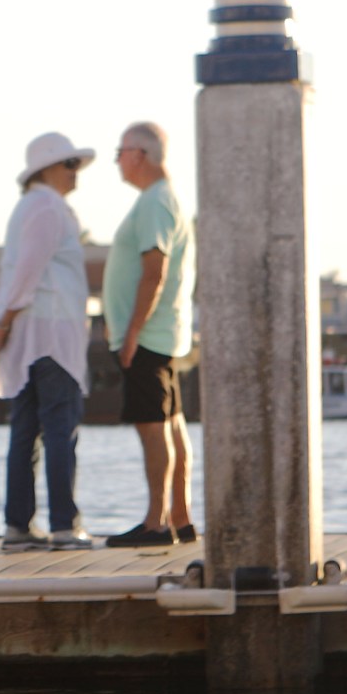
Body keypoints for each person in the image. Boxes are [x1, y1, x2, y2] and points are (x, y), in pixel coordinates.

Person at [0, 132, 98, 552]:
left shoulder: (30, 206)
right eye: (69, 165)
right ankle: (65, 526)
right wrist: (6, 320)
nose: (76, 175)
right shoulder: (48, 206)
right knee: (58, 429)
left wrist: (5, 321)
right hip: (51, 332)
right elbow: (29, 270)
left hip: (31, 333)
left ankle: (18, 526)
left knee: (26, 430)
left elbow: (18, 269)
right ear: (46, 169)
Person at [100, 122, 197, 548]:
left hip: (149, 335)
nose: (117, 159)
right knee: (171, 423)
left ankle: (156, 523)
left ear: (140, 154)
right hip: (163, 333)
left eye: (120, 151)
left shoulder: (155, 202)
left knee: (153, 426)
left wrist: (133, 331)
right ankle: (180, 517)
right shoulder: (162, 199)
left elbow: (153, 270)